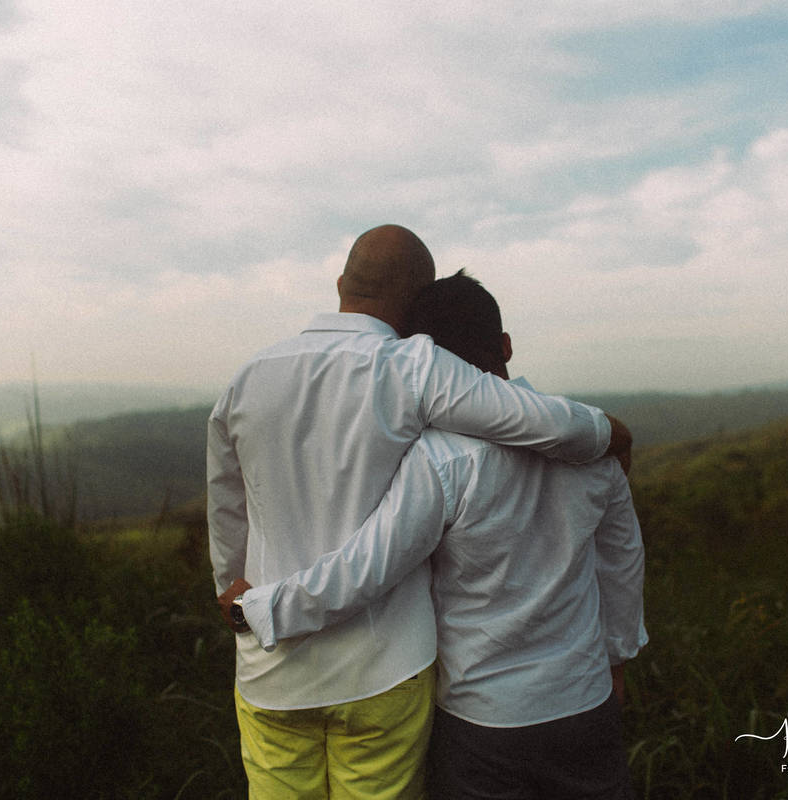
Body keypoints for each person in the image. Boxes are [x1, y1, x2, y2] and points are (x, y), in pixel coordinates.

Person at [208, 226, 632, 799]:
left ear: (340, 283)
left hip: (282, 672)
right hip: (395, 670)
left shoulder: (247, 378)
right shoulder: (415, 368)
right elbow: (615, 552)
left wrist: (242, 602)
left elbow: (229, 507)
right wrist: (610, 433)